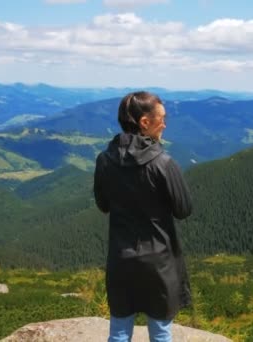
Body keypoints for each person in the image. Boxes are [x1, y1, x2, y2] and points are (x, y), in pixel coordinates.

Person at [93, 91, 193, 342]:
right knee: (160, 332)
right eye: (161, 118)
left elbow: (103, 205)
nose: (165, 124)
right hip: (158, 260)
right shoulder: (163, 163)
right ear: (144, 123)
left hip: (121, 258)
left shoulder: (104, 160)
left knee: (118, 331)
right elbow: (183, 209)